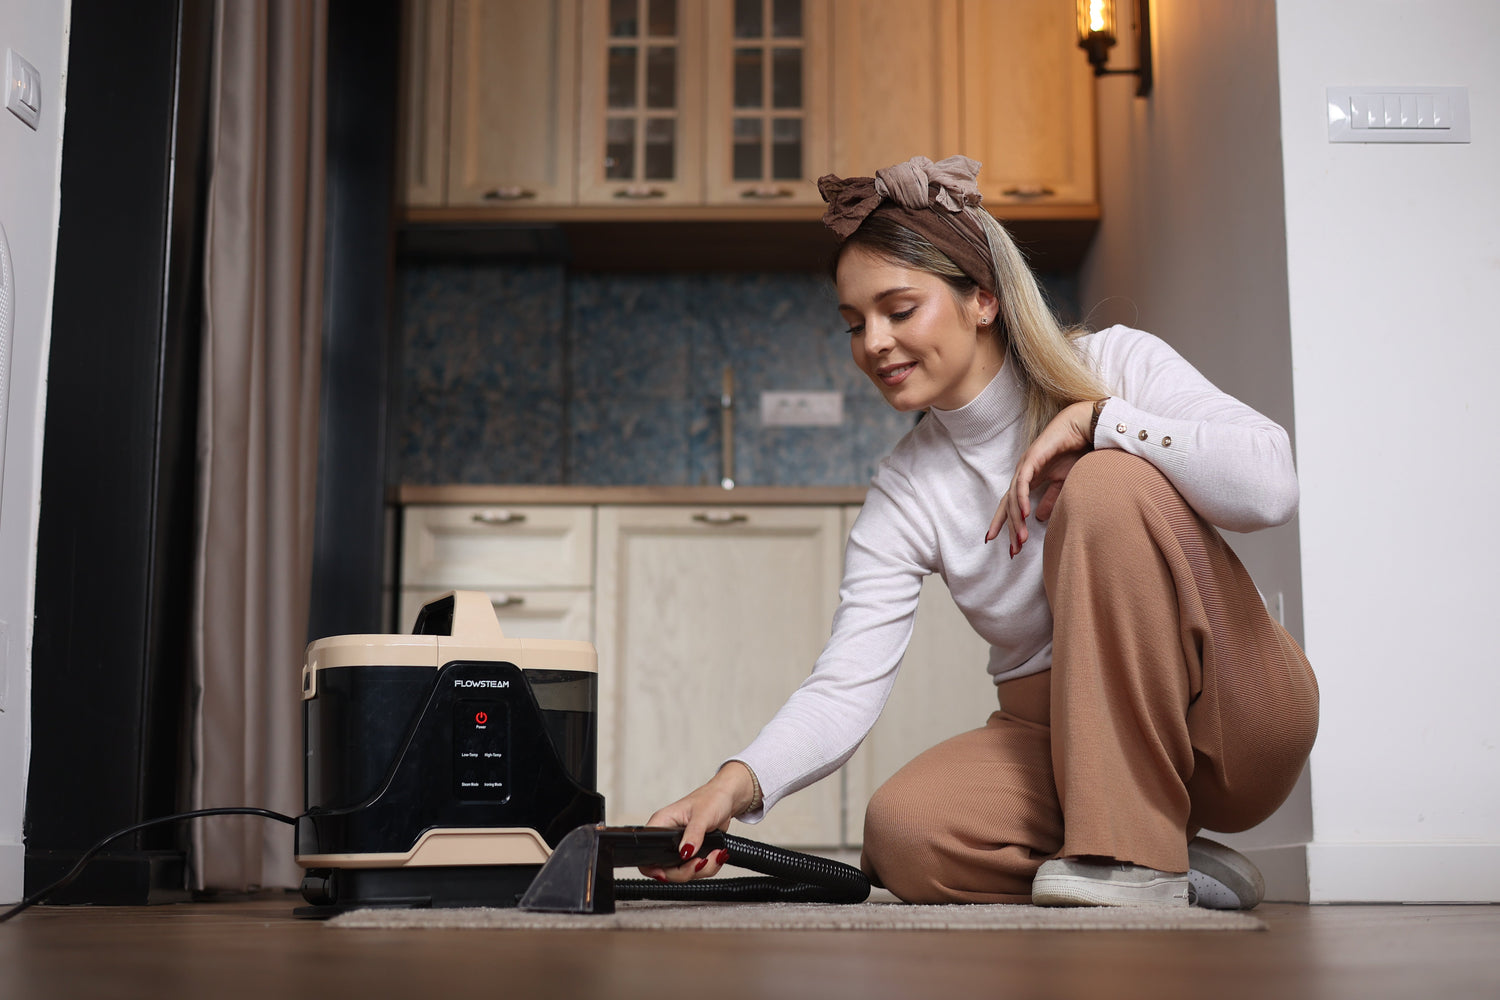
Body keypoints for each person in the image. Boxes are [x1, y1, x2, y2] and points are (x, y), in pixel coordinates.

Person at [638, 155, 1318, 909]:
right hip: (1064, 747)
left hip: (1231, 715)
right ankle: (1159, 852)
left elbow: (1271, 485)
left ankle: (1134, 852)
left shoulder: (1117, 363)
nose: (873, 343)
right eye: (854, 324)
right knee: (904, 835)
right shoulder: (906, 489)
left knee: (1104, 482)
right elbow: (845, 684)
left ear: (983, 298)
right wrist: (729, 788)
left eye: (899, 310)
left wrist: (1101, 423)